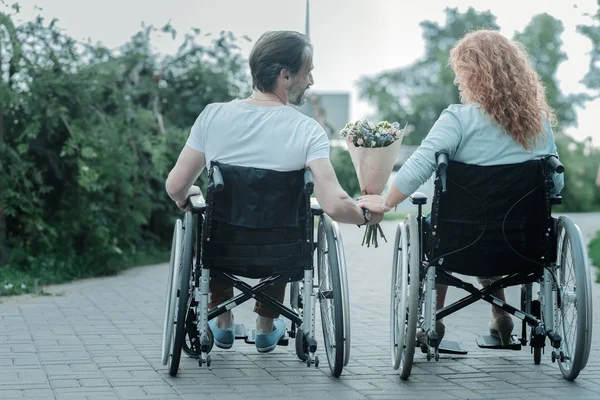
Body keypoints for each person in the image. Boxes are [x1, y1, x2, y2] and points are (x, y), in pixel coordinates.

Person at [165, 30, 382, 353]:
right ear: (285, 75)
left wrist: (186, 196)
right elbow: (334, 204)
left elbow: (175, 186)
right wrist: (366, 215)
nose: (310, 81)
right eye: (307, 72)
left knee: (212, 215)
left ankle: (220, 321)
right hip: (281, 252)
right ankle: (267, 326)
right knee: (285, 221)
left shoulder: (213, 116)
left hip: (224, 247)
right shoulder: (306, 130)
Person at [358, 29, 564, 346]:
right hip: (525, 244)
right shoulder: (538, 123)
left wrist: (386, 201)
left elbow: (417, 166)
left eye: (460, 75)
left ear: (475, 76)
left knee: (439, 232)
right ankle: (500, 316)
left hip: (460, 241)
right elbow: (557, 183)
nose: (457, 83)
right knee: (496, 226)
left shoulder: (457, 119)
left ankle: (434, 319)